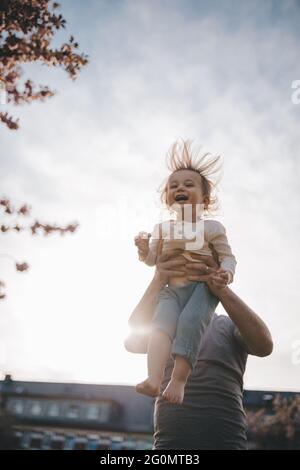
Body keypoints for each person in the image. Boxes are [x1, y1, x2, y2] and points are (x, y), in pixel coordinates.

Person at [124, 250, 273, 450]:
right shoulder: (165, 327)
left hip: (226, 444)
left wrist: (221, 288)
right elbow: (132, 341)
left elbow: (264, 345)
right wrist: (158, 280)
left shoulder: (229, 325)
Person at [134, 140, 236, 404]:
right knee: (160, 327)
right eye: (174, 185)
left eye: (189, 184)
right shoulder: (162, 229)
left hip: (201, 288)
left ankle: (178, 381)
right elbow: (153, 261)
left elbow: (227, 257)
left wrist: (226, 273)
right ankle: (154, 379)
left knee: (190, 323)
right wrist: (145, 249)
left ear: (205, 198)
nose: (180, 187)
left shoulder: (212, 228)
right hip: (171, 290)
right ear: (167, 197)